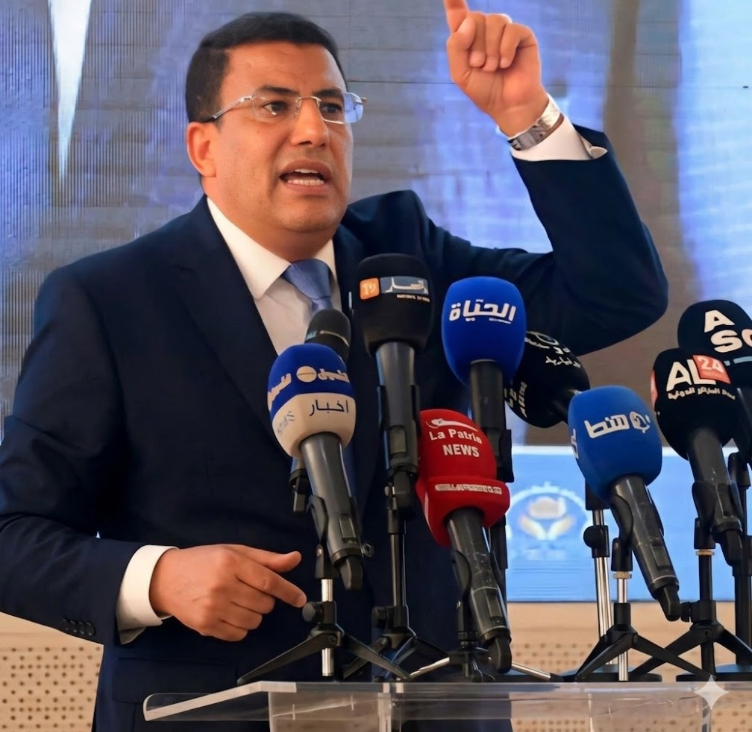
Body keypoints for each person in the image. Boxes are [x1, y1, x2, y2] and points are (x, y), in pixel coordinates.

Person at [0, 2, 667, 730]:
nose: (314, 129)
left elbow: (615, 294)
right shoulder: (110, 301)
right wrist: (157, 579)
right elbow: (14, 532)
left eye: (331, 106)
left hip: (436, 707)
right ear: (203, 146)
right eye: (274, 106)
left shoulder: (409, 258)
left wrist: (526, 115)